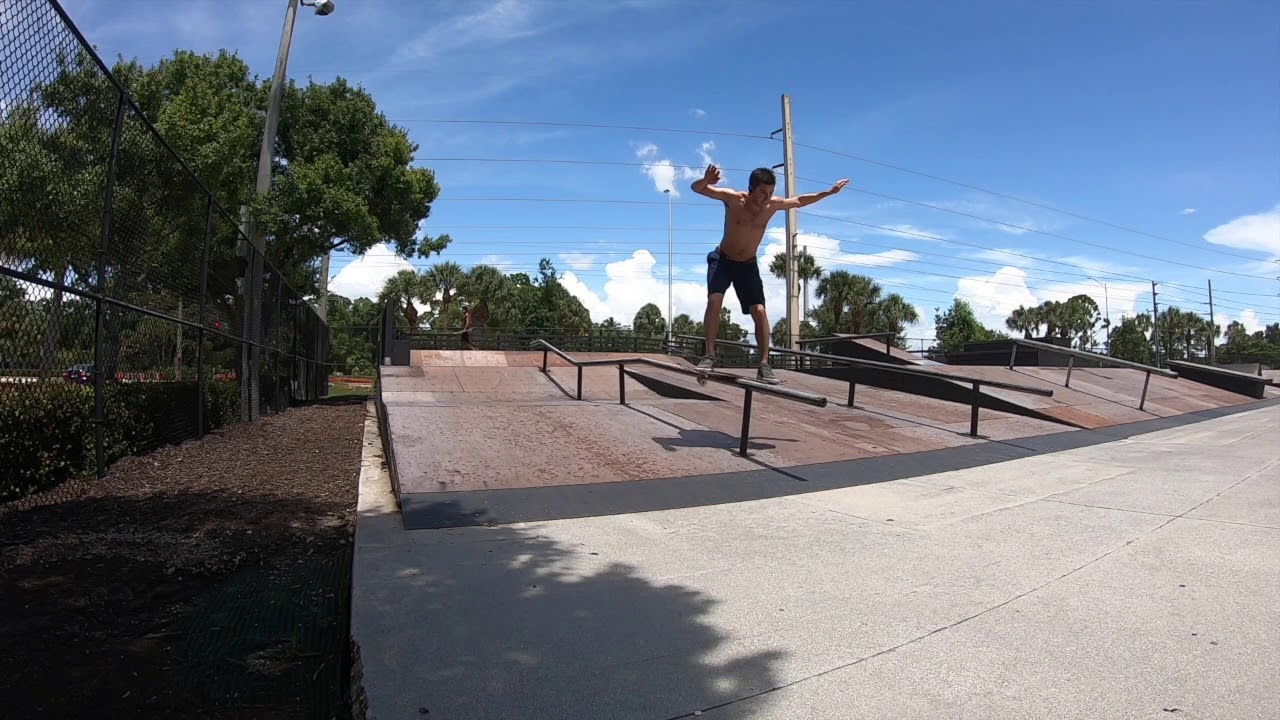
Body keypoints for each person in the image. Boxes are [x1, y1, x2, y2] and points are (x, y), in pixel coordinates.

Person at [690, 164, 848, 384]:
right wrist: (705, 180)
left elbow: (800, 200)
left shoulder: (772, 205)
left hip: (748, 264)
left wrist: (828, 193)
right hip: (723, 260)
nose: (767, 198)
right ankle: (709, 354)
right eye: (763, 192)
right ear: (751, 189)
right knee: (715, 300)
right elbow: (697, 188)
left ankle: (764, 365)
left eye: (771, 193)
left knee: (760, 310)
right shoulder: (734, 199)